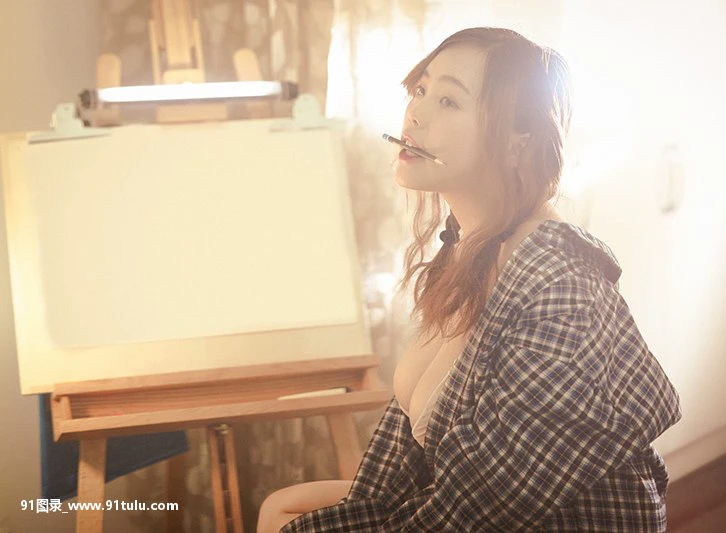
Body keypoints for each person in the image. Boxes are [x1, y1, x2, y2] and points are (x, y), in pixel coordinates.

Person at [258, 26, 681, 532]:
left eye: (448, 101)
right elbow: (413, 465)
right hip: (458, 501)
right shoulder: (468, 244)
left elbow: (481, 510)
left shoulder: (559, 288)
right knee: (280, 508)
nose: (415, 114)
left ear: (515, 143)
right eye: (420, 90)